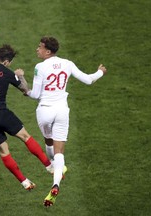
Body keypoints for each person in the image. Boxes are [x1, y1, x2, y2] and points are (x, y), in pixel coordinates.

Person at [24, 36, 107, 206]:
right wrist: (101, 72)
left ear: (48, 51)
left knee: (48, 141)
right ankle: (56, 184)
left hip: (45, 110)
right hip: (62, 110)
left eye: (39, 47)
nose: (37, 49)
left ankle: (55, 168)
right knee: (60, 150)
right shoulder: (67, 63)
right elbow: (88, 80)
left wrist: (22, 84)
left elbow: (35, 95)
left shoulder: (39, 67)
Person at [0, 44, 53, 191]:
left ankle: (24, 182)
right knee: (25, 137)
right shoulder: (7, 72)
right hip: (2, 114)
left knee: (4, 152)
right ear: (6, 61)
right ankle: (49, 166)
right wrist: (20, 76)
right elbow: (26, 90)